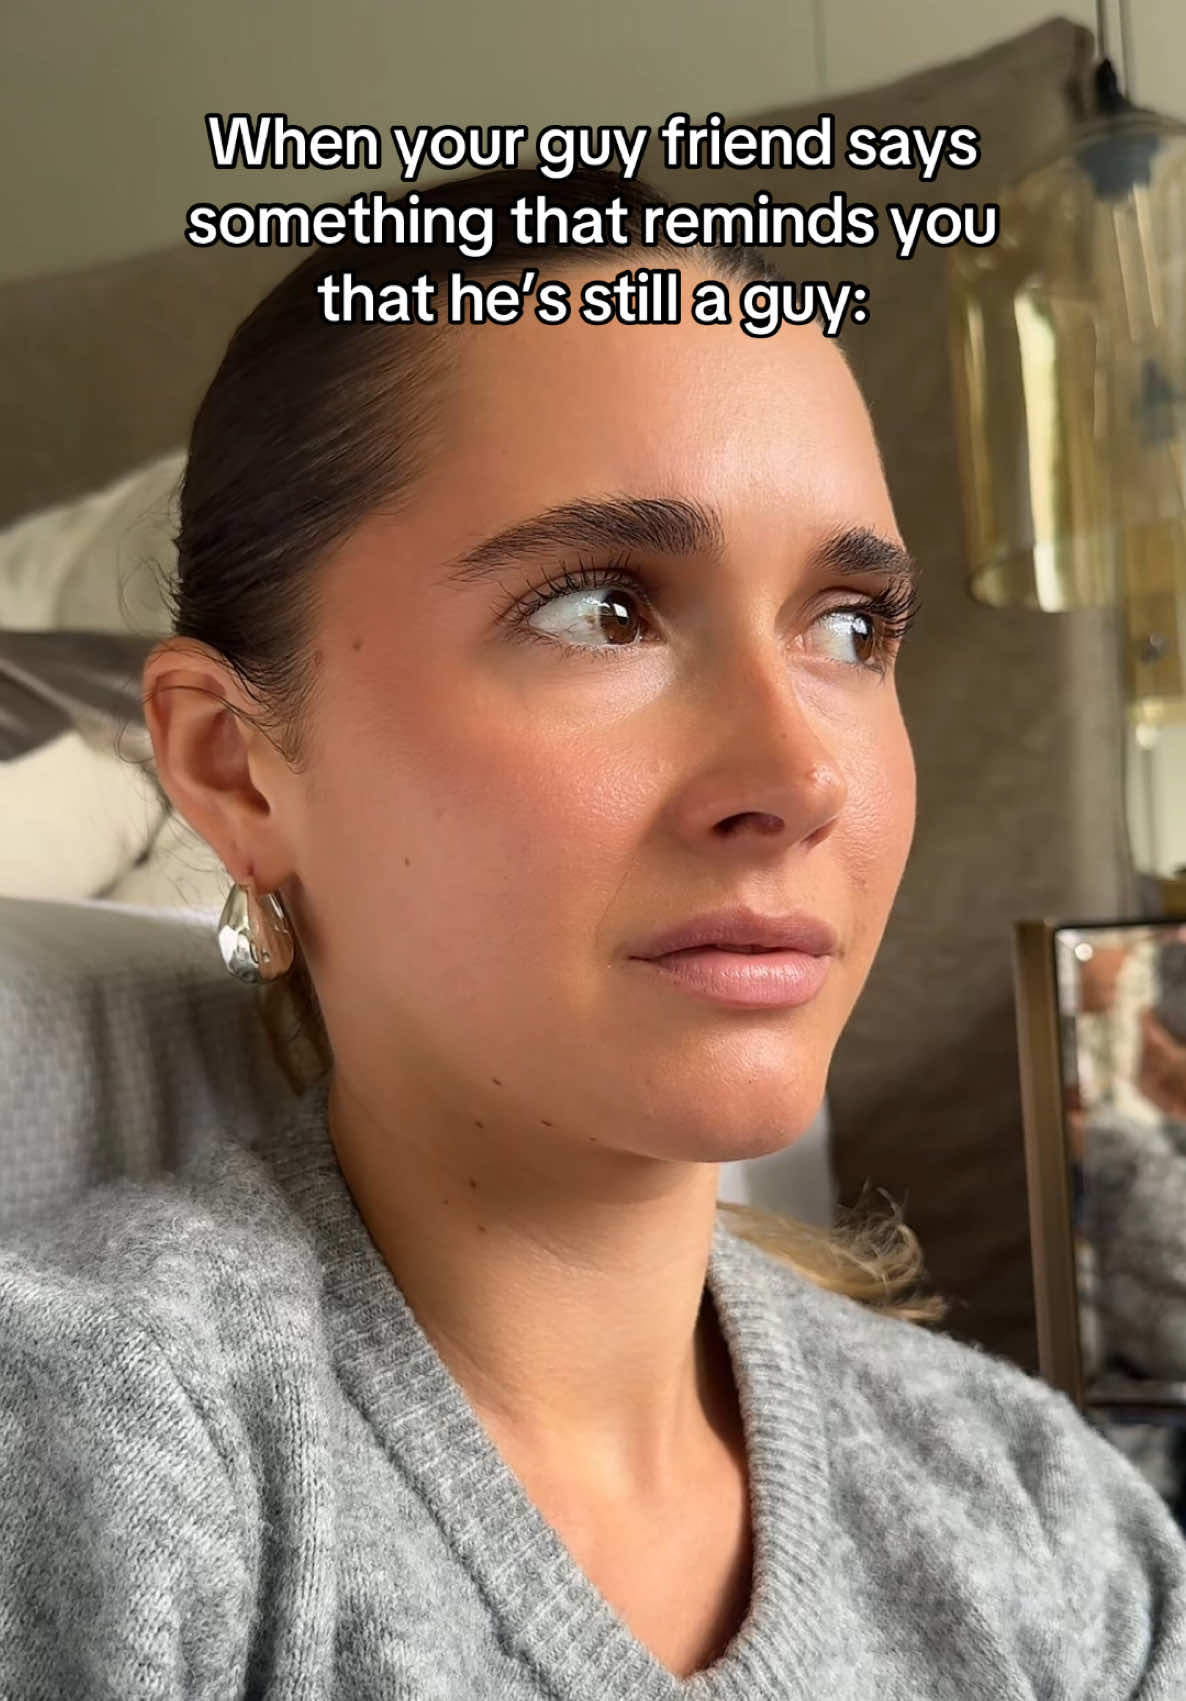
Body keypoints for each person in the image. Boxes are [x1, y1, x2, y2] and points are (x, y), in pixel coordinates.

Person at [2, 166, 1185, 1699]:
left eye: (848, 626)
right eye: (601, 610)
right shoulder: (85, 1454)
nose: (800, 777)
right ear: (235, 766)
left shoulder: (1050, 1524)